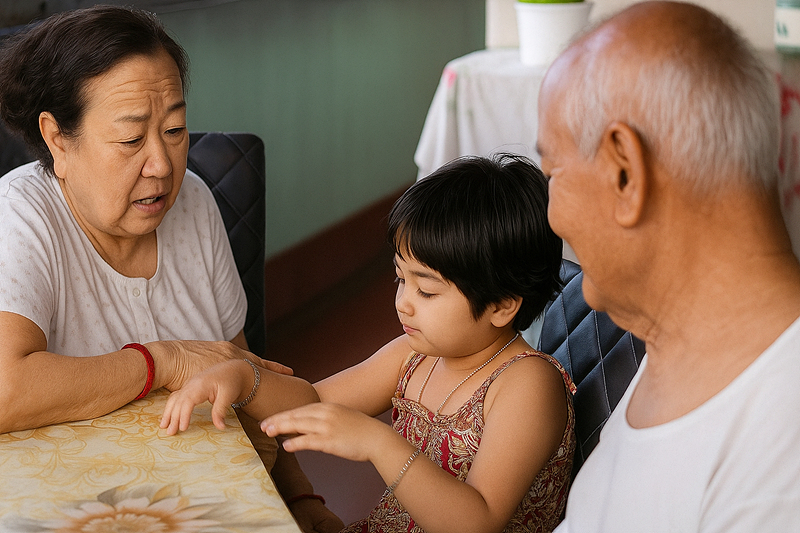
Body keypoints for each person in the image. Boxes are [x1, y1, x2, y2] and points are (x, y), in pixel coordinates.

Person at [0, 6, 341, 532]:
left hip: (212, 504)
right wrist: (164, 362)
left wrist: (300, 500)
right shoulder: (22, 216)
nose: (162, 164)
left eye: (175, 129)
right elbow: (7, 388)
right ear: (57, 139)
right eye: (132, 138)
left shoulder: (196, 203)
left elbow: (248, 375)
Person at [161, 154, 576, 532]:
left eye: (426, 292)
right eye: (400, 278)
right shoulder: (415, 355)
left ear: (502, 306)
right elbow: (311, 402)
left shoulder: (527, 384)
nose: (403, 303)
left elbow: (477, 522)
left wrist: (378, 442)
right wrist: (241, 378)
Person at [534, 1, 800, 531]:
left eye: (553, 173)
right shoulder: (678, 343)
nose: (552, 215)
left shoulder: (779, 457)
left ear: (625, 174)